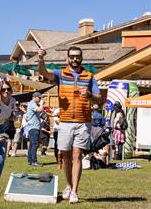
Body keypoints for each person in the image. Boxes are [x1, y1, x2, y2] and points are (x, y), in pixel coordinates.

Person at [38, 46, 101, 204]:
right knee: (65, 156)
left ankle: (74, 191)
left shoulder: (89, 77)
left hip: (83, 122)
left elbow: (99, 99)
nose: (75, 59)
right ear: (67, 58)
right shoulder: (61, 74)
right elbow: (44, 73)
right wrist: (40, 59)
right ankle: (68, 185)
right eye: (72, 56)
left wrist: (90, 96)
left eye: (77, 56)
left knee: (77, 155)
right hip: (65, 121)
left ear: (81, 58)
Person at [26, 92, 44, 167]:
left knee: (32, 145)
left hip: (32, 127)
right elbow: (40, 110)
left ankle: (30, 160)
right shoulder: (32, 104)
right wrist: (42, 104)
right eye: (39, 98)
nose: (40, 99)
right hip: (33, 127)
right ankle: (34, 161)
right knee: (35, 144)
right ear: (35, 97)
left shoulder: (32, 104)